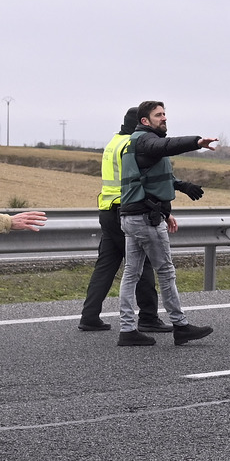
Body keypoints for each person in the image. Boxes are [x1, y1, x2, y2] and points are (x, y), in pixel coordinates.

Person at [115, 100, 217, 347]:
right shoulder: (144, 141)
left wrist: (182, 186)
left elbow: (150, 176)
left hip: (131, 216)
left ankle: (127, 329)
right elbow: (166, 146)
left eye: (164, 114)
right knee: (166, 272)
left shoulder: (134, 144)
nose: (164, 118)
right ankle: (180, 326)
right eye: (158, 115)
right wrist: (196, 142)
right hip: (146, 219)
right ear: (144, 121)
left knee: (131, 274)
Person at [78, 107, 169, 333]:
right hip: (127, 210)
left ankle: (89, 316)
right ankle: (148, 317)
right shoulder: (134, 144)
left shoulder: (113, 143)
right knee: (143, 263)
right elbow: (141, 181)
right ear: (140, 122)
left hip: (107, 210)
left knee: (106, 265)